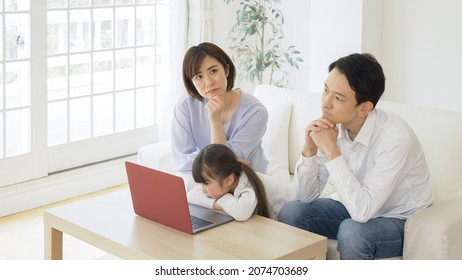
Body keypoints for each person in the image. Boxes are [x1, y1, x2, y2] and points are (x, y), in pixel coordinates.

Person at [277, 53, 433, 260]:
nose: (325, 103)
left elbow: (362, 212)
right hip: (355, 204)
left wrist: (332, 151)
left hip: (399, 219)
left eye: (338, 98)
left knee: (353, 233)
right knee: (292, 212)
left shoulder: (395, 139)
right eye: (325, 90)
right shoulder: (333, 125)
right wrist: (309, 150)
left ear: (365, 108)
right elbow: (306, 196)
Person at [172, 42, 269, 190]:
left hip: (245, 182)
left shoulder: (255, 112)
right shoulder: (185, 106)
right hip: (208, 181)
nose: (209, 82)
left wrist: (215, 121)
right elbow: (183, 161)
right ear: (191, 83)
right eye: (199, 76)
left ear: (226, 70)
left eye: (213, 71)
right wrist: (223, 160)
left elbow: (223, 168)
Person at [187, 144, 271, 221]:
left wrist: (223, 199)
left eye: (206, 183)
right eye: (200, 184)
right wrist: (216, 204)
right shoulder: (224, 178)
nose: (203, 190)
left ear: (229, 180)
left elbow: (241, 214)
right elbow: (190, 195)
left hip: (282, 213)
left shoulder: (246, 184)